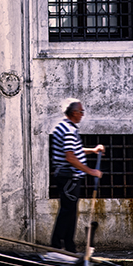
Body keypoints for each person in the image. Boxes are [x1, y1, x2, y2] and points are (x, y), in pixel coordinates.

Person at [50, 98, 104, 253]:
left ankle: (69, 246)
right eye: (81, 112)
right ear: (74, 113)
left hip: (66, 177)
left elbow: (75, 150)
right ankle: (56, 246)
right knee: (68, 211)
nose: (82, 115)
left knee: (70, 211)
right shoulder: (69, 130)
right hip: (70, 177)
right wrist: (91, 171)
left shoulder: (63, 126)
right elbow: (70, 157)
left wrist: (92, 150)